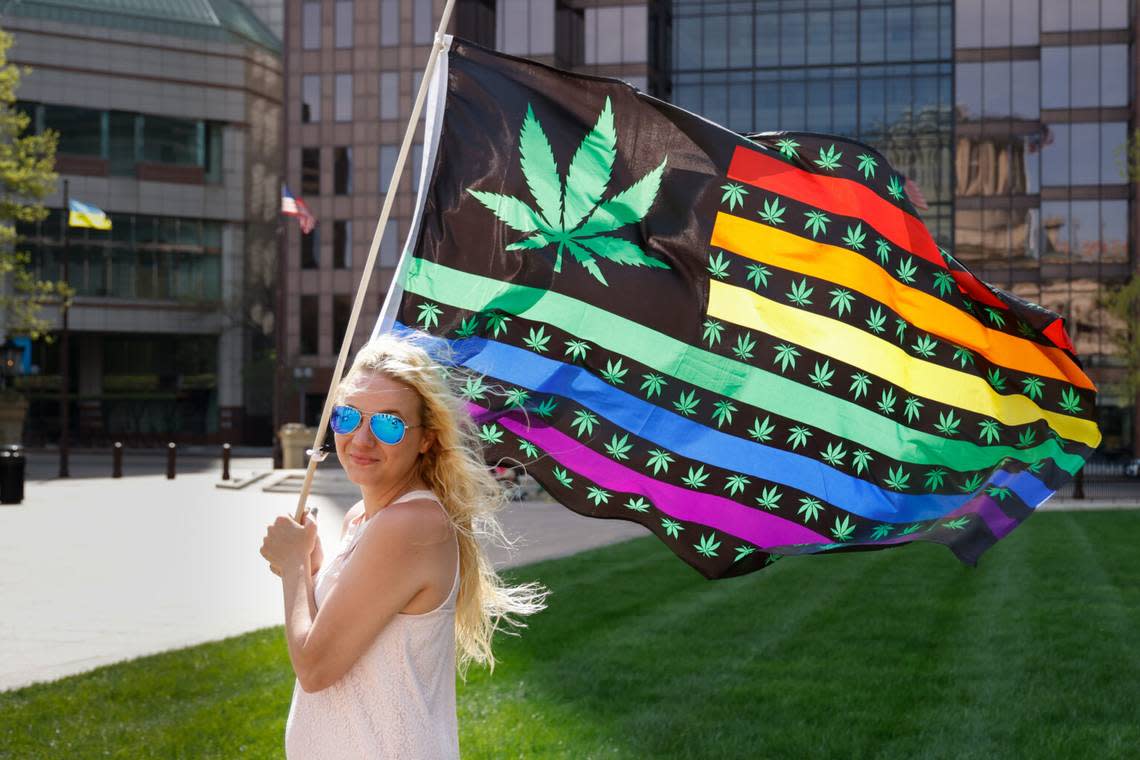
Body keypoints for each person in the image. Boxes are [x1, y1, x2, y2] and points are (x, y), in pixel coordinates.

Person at [259, 330, 548, 758]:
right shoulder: (363, 519)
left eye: (389, 423)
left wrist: (295, 565)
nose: (361, 438)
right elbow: (342, 636)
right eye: (348, 415)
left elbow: (315, 667)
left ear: (426, 438)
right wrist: (313, 566)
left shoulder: (410, 524)